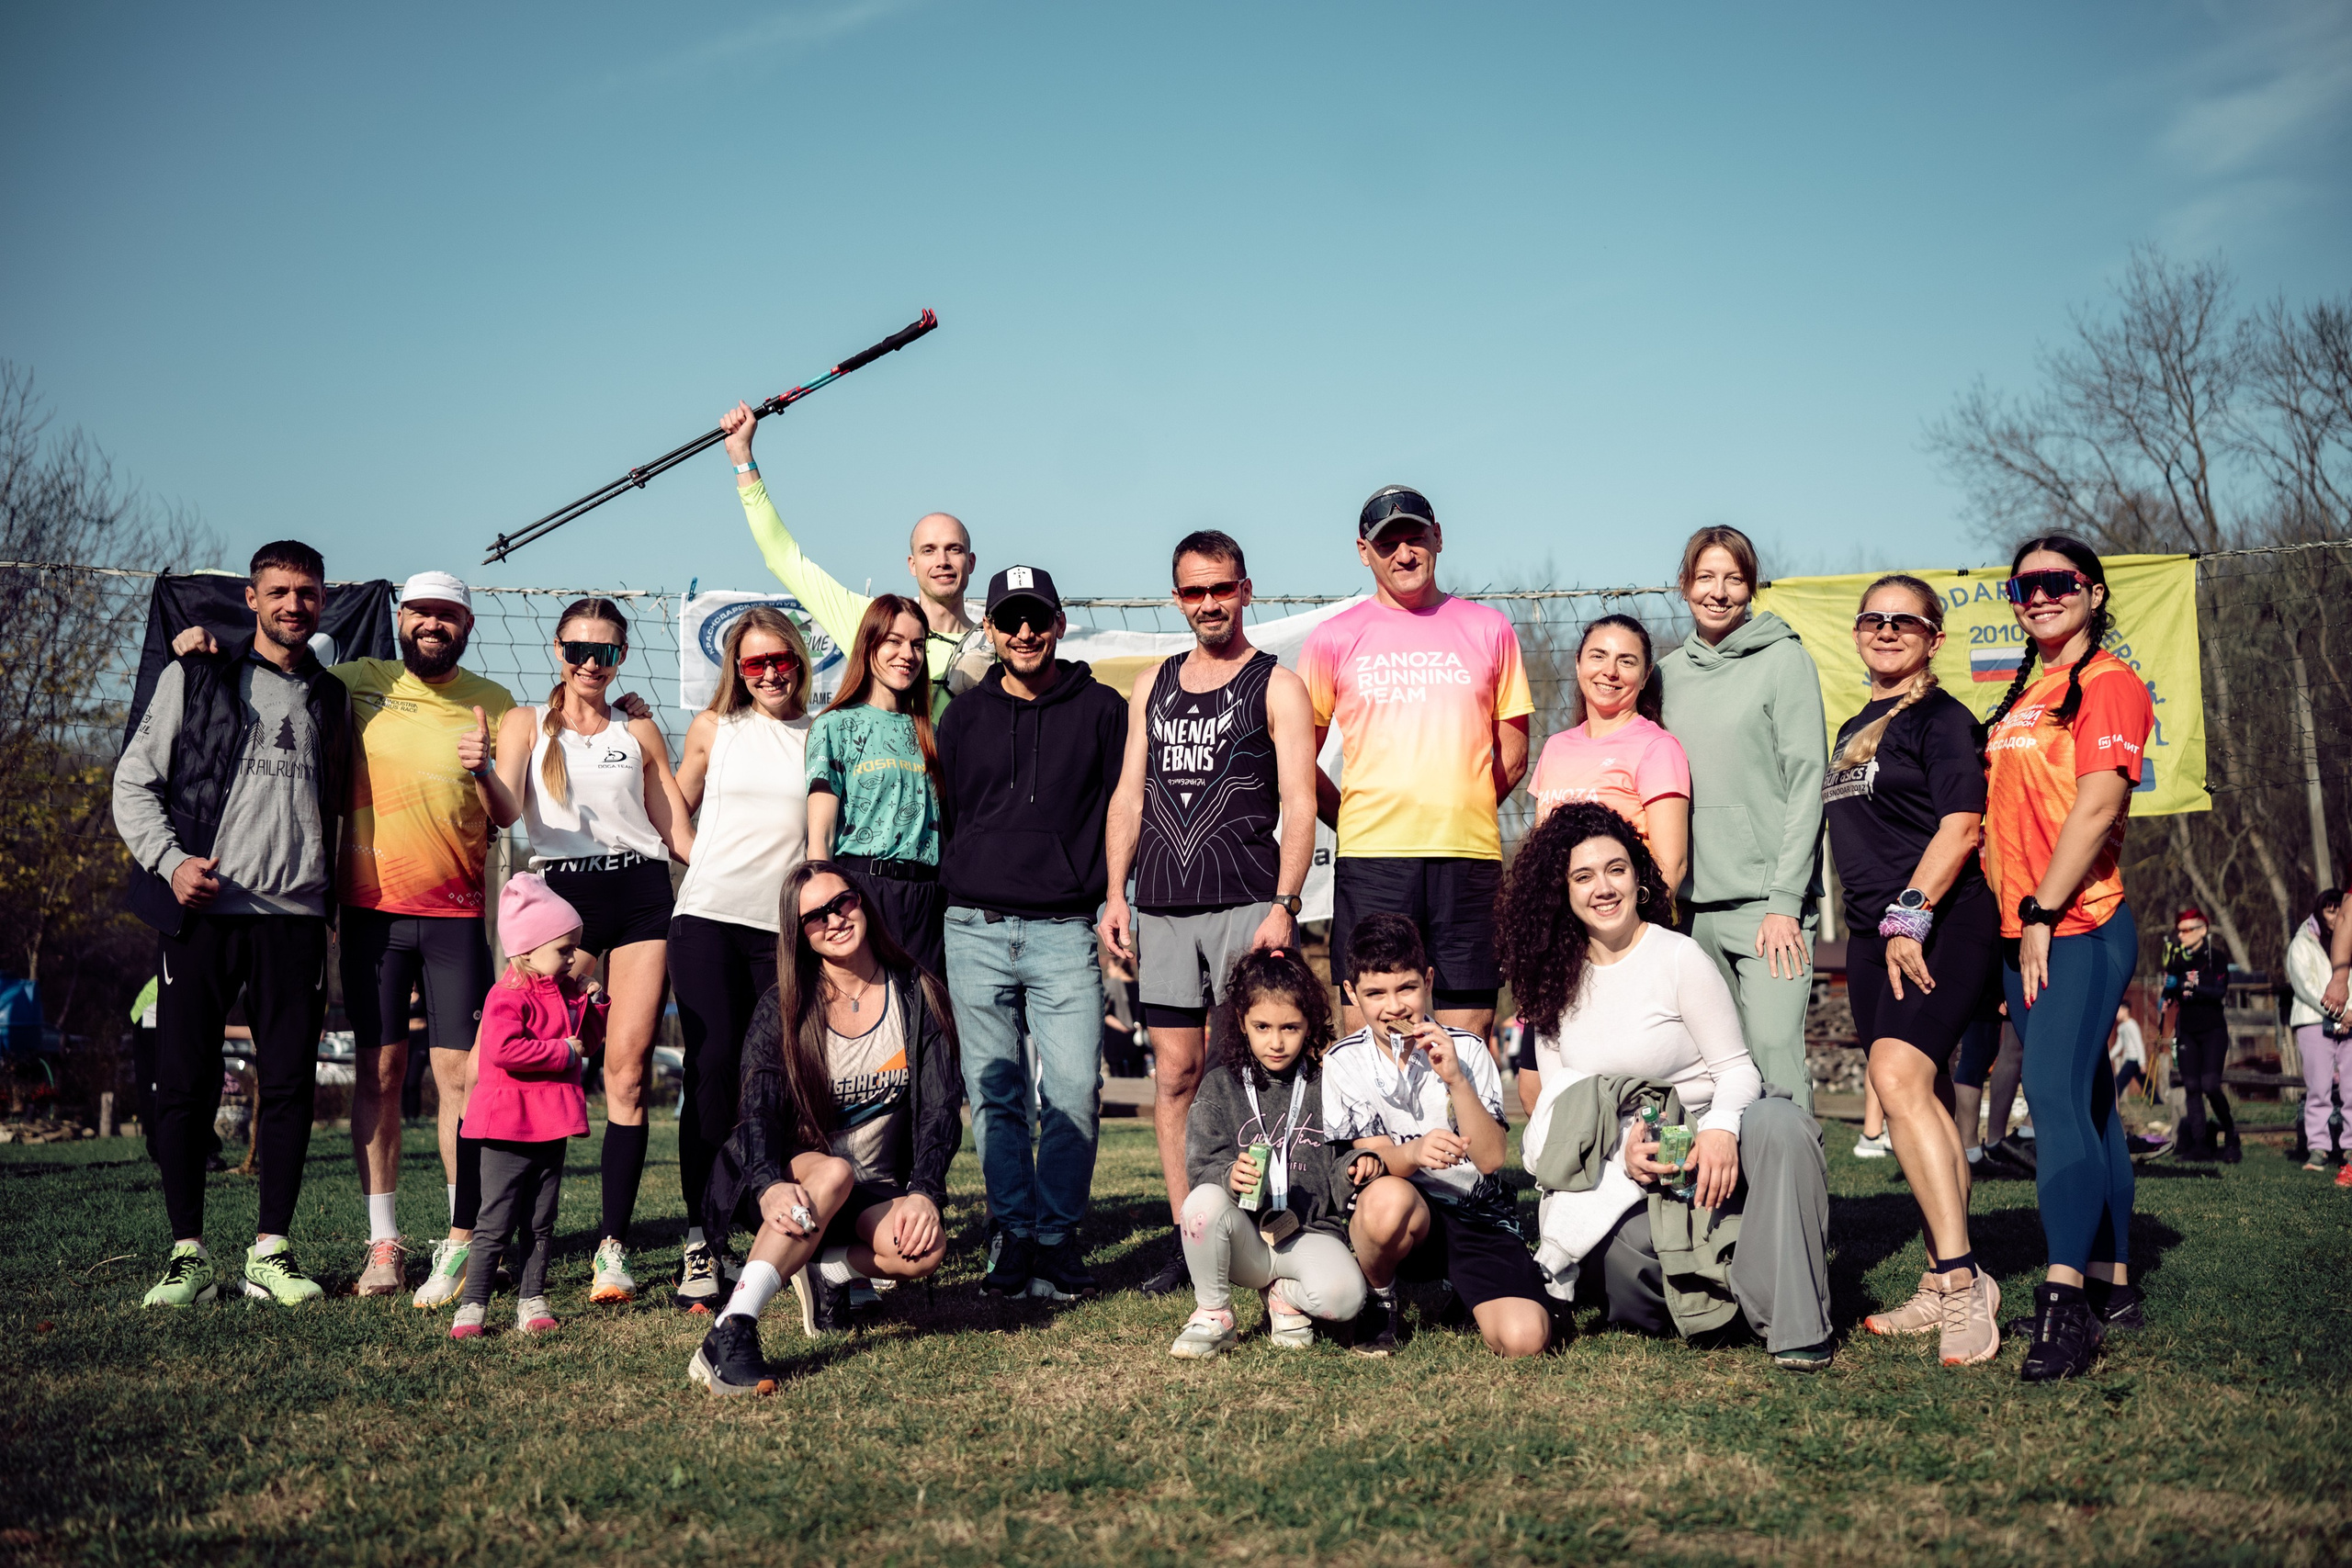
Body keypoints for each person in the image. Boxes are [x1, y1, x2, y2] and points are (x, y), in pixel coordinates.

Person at [169, 571, 523, 1302]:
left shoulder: (496, 703)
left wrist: (483, 768)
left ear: (466, 624)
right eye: (421, 612)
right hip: (371, 914)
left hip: (458, 916)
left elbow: (509, 812)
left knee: (462, 1079)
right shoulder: (357, 680)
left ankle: (461, 1242)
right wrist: (205, 646)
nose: (433, 624)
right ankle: (383, 1244)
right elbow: (279, 656)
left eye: (447, 615)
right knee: (381, 1076)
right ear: (402, 620)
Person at [1499, 804, 1837, 1371]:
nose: (1603, 888)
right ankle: (1747, 1277)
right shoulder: (1550, 978)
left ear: (1639, 877)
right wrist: (1621, 1155)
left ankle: (1796, 1323)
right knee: (1633, 1261)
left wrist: (1723, 1132)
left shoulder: (1678, 957)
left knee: (1782, 1124)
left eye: (1616, 869)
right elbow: (1562, 1109)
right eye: (1583, 876)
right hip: (1630, 1168)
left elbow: (1737, 1070)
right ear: (1561, 890)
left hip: (1712, 1144)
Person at [114, 539, 353, 1307]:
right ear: (251, 598)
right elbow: (132, 783)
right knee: (183, 1084)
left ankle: (269, 1254)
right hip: (205, 914)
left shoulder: (331, 696)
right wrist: (170, 860)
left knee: (288, 1087)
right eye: (279, 590)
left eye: (307, 593)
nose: (293, 604)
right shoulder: (197, 674)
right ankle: (187, 1254)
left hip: (295, 920)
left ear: (321, 602)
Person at [1101, 530, 1318, 1299]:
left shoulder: (1276, 685)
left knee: (1250, 1069)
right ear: (1177, 597)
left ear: (1246, 589)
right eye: (1193, 592)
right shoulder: (1152, 685)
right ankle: (1188, 1235)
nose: (1208, 604)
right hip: (1161, 905)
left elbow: (1301, 802)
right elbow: (1129, 795)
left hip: (1246, 902)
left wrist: (1286, 904)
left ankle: (1261, 1230)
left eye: (1220, 588)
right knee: (1177, 1076)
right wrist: (1113, 894)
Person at [1981, 534, 2154, 1381]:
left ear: (2091, 590)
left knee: (2049, 1096)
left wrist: (2045, 909)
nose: (2039, 595)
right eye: (2025, 585)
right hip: (2026, 930)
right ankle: (2112, 1277)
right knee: (2085, 1102)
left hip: (2077, 923)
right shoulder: (2027, 689)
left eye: (2056, 582)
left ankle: (2063, 1308)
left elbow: (2098, 805)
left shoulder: (2111, 682)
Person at [1820, 575, 2003, 1366]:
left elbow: (1962, 826)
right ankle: (1936, 1276)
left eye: (1906, 620)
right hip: (1871, 934)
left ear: (1933, 637)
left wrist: (1910, 914)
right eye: (1874, 618)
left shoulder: (1942, 719)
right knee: (1912, 1098)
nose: (1887, 629)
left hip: (1942, 922)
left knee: (1896, 1078)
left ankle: (1965, 1286)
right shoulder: (1856, 725)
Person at [688, 863, 960, 1393]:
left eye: (843, 903)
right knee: (833, 1172)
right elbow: (758, 1111)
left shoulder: (917, 994)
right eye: (814, 917)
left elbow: (940, 1107)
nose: (834, 920)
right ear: (800, 934)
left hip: (871, 1187)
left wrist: (925, 1191)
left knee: (925, 1252)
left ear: (862, 902)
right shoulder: (784, 1006)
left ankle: (829, 1271)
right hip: (790, 1174)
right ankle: (733, 1326)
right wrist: (767, 1184)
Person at [492, 597, 693, 1304]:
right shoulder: (524, 722)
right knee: (537, 1069)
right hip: (559, 905)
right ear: (557, 648)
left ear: (620, 659)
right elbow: (507, 813)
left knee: (627, 1073)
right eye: (578, 648)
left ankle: (613, 1246)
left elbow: (679, 834)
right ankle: (509, 1241)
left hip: (639, 892)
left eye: (604, 652)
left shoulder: (637, 728)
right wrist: (478, 771)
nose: (589, 662)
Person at [937, 565, 1128, 1302]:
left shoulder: (1102, 710)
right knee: (996, 1094)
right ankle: (1013, 1233)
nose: (1024, 632)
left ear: (1058, 622)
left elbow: (1121, 811)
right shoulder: (963, 717)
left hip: (1063, 928)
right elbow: (952, 817)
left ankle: (1057, 1236)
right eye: (1010, 619)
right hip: (975, 926)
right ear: (988, 627)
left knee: (1076, 1088)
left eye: (1037, 617)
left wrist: (1116, 898)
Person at [1299, 486, 1532, 1044]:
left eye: (1415, 538)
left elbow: (1516, 754)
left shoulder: (1490, 629)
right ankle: (1381, 1138)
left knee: (1467, 1031)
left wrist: (1460, 803)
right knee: (1370, 1027)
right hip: (1374, 859)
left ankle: (1458, 1136)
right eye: (1388, 543)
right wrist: (1353, 817)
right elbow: (1297, 760)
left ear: (1438, 539)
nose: (1404, 554)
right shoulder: (1333, 638)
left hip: (1468, 858)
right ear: (1364, 551)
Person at [667, 606, 815, 1308]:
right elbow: (671, 804)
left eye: (779, 658)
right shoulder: (713, 727)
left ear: (799, 659)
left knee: (774, 1085)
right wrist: (702, 861)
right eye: (754, 663)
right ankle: (701, 1238)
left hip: (782, 933)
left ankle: (770, 1231)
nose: (769, 673)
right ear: (737, 670)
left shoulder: (822, 733)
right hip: (707, 920)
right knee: (712, 1071)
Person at [1324, 911, 1552, 1359]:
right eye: (1375, 994)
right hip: (1405, 1218)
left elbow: (1489, 1160)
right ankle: (1380, 1299)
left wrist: (1456, 1080)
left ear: (1428, 981)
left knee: (1526, 1341)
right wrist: (1417, 1151)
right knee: (1386, 1201)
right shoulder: (1343, 1061)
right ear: (1352, 994)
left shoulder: (1466, 1049)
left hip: (1475, 1215)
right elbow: (1372, 1166)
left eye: (1406, 988)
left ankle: (1463, 1292)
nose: (1394, 1007)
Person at [1657, 525, 1826, 1111]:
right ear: (1684, 586)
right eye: (1706, 577)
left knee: (1776, 1059)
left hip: (1766, 909)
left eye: (1734, 578)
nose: (1719, 591)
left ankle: (1798, 1203)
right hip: (1691, 911)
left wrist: (1785, 900)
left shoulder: (1786, 661)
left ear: (1751, 586)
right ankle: (1730, 1201)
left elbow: (1808, 784)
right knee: (1712, 1076)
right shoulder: (1666, 675)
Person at [720, 400, 990, 719]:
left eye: (954, 549)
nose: (942, 561)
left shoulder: (999, 641)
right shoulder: (870, 622)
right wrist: (741, 456)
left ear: (971, 562)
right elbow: (784, 558)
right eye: (928, 550)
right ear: (911, 564)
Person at [1170, 947, 1367, 1357]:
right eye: (1262, 1026)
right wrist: (1228, 1176)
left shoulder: (1327, 1084)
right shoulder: (1219, 1087)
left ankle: (1285, 1298)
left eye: (1290, 1028)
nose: (1275, 1042)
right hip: (1246, 1242)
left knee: (1347, 1299)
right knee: (1202, 1204)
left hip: (1308, 1237)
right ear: (1242, 1022)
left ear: (1310, 1024)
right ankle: (1213, 1313)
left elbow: (1342, 1159)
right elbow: (1201, 1169)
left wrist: (1353, 1169)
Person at [450, 874, 605, 1340]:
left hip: (550, 1123)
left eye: (573, 948)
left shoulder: (564, 992)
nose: (573, 958)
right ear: (528, 950)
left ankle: (532, 1298)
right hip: (506, 1128)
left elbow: (589, 1045)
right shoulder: (506, 996)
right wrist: (562, 1050)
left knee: (541, 1220)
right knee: (494, 1220)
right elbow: (504, 1052)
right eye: (563, 949)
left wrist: (595, 1006)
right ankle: (473, 1305)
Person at [808, 595, 947, 977]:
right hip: (863, 892)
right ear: (869, 643)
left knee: (929, 1024)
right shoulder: (834, 725)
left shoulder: (932, 733)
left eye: (918, 645)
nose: (908, 654)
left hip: (927, 898)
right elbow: (820, 834)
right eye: (894, 641)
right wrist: (824, 906)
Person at [2161, 907, 2237, 1163]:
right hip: (2187, 1031)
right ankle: (2200, 1144)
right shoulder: (2177, 960)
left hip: (2213, 1029)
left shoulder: (2216, 957)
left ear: (2203, 930)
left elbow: (2219, 990)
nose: (2181, 935)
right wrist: (2167, 995)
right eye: (2178, 930)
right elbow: (2172, 987)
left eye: (2187, 930)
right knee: (2192, 1087)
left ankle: (2230, 1135)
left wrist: (2195, 986)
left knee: (2210, 1085)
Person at [2286, 888, 2347, 1173]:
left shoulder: (2348, 939)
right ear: (2319, 911)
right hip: (2313, 1020)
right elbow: (2305, 987)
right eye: (2329, 910)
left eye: (2339, 909)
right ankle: (2318, 1149)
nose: (2335, 916)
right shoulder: (2302, 942)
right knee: (2319, 1088)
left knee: (2351, 1087)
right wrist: (2339, 1011)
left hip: (2350, 1022)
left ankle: (2349, 1147)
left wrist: (2350, 1015)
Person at [2109, 1005, 2149, 1101]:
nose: (2117, 1014)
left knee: (2119, 1082)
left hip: (2134, 1059)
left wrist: (2142, 1062)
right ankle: (2157, 1101)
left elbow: (2139, 1043)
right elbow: (2119, 1045)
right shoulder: (2121, 1027)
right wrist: (2109, 1056)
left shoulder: (2132, 1025)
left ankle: (2111, 1102)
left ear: (2126, 1010)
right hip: (2129, 1059)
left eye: (2119, 1011)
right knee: (2145, 1082)